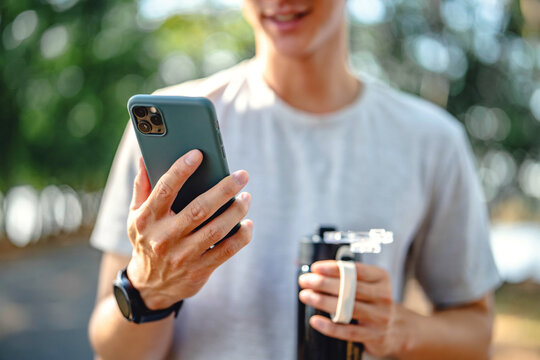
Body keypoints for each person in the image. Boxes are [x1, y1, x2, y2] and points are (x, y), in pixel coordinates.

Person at [88, 0, 501, 359]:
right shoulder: (163, 123)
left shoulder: (431, 141)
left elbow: (476, 335)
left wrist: (398, 329)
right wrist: (148, 289)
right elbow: (111, 348)